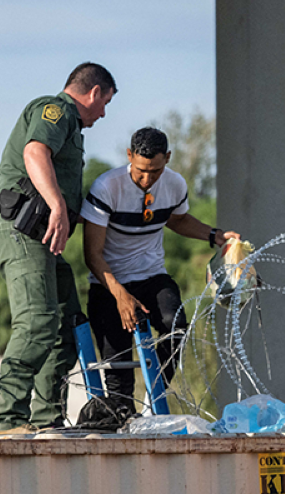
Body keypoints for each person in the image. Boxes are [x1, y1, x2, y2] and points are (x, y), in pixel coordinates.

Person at [0, 63, 116, 434]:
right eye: (104, 103)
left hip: (45, 240)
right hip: (22, 231)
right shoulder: (55, 110)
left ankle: (47, 417)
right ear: (93, 93)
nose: (103, 113)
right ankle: (10, 418)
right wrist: (58, 205)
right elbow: (34, 152)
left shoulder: (73, 127)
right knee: (37, 321)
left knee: (68, 328)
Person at [82, 127, 240, 411]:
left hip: (151, 276)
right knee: (119, 389)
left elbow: (176, 220)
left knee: (175, 325)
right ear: (129, 156)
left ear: (167, 158)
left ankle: (153, 400)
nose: (147, 178)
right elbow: (92, 255)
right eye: (141, 170)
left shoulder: (175, 184)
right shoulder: (107, 187)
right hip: (109, 283)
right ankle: (124, 411)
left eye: (155, 171)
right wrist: (120, 296)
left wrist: (213, 235)